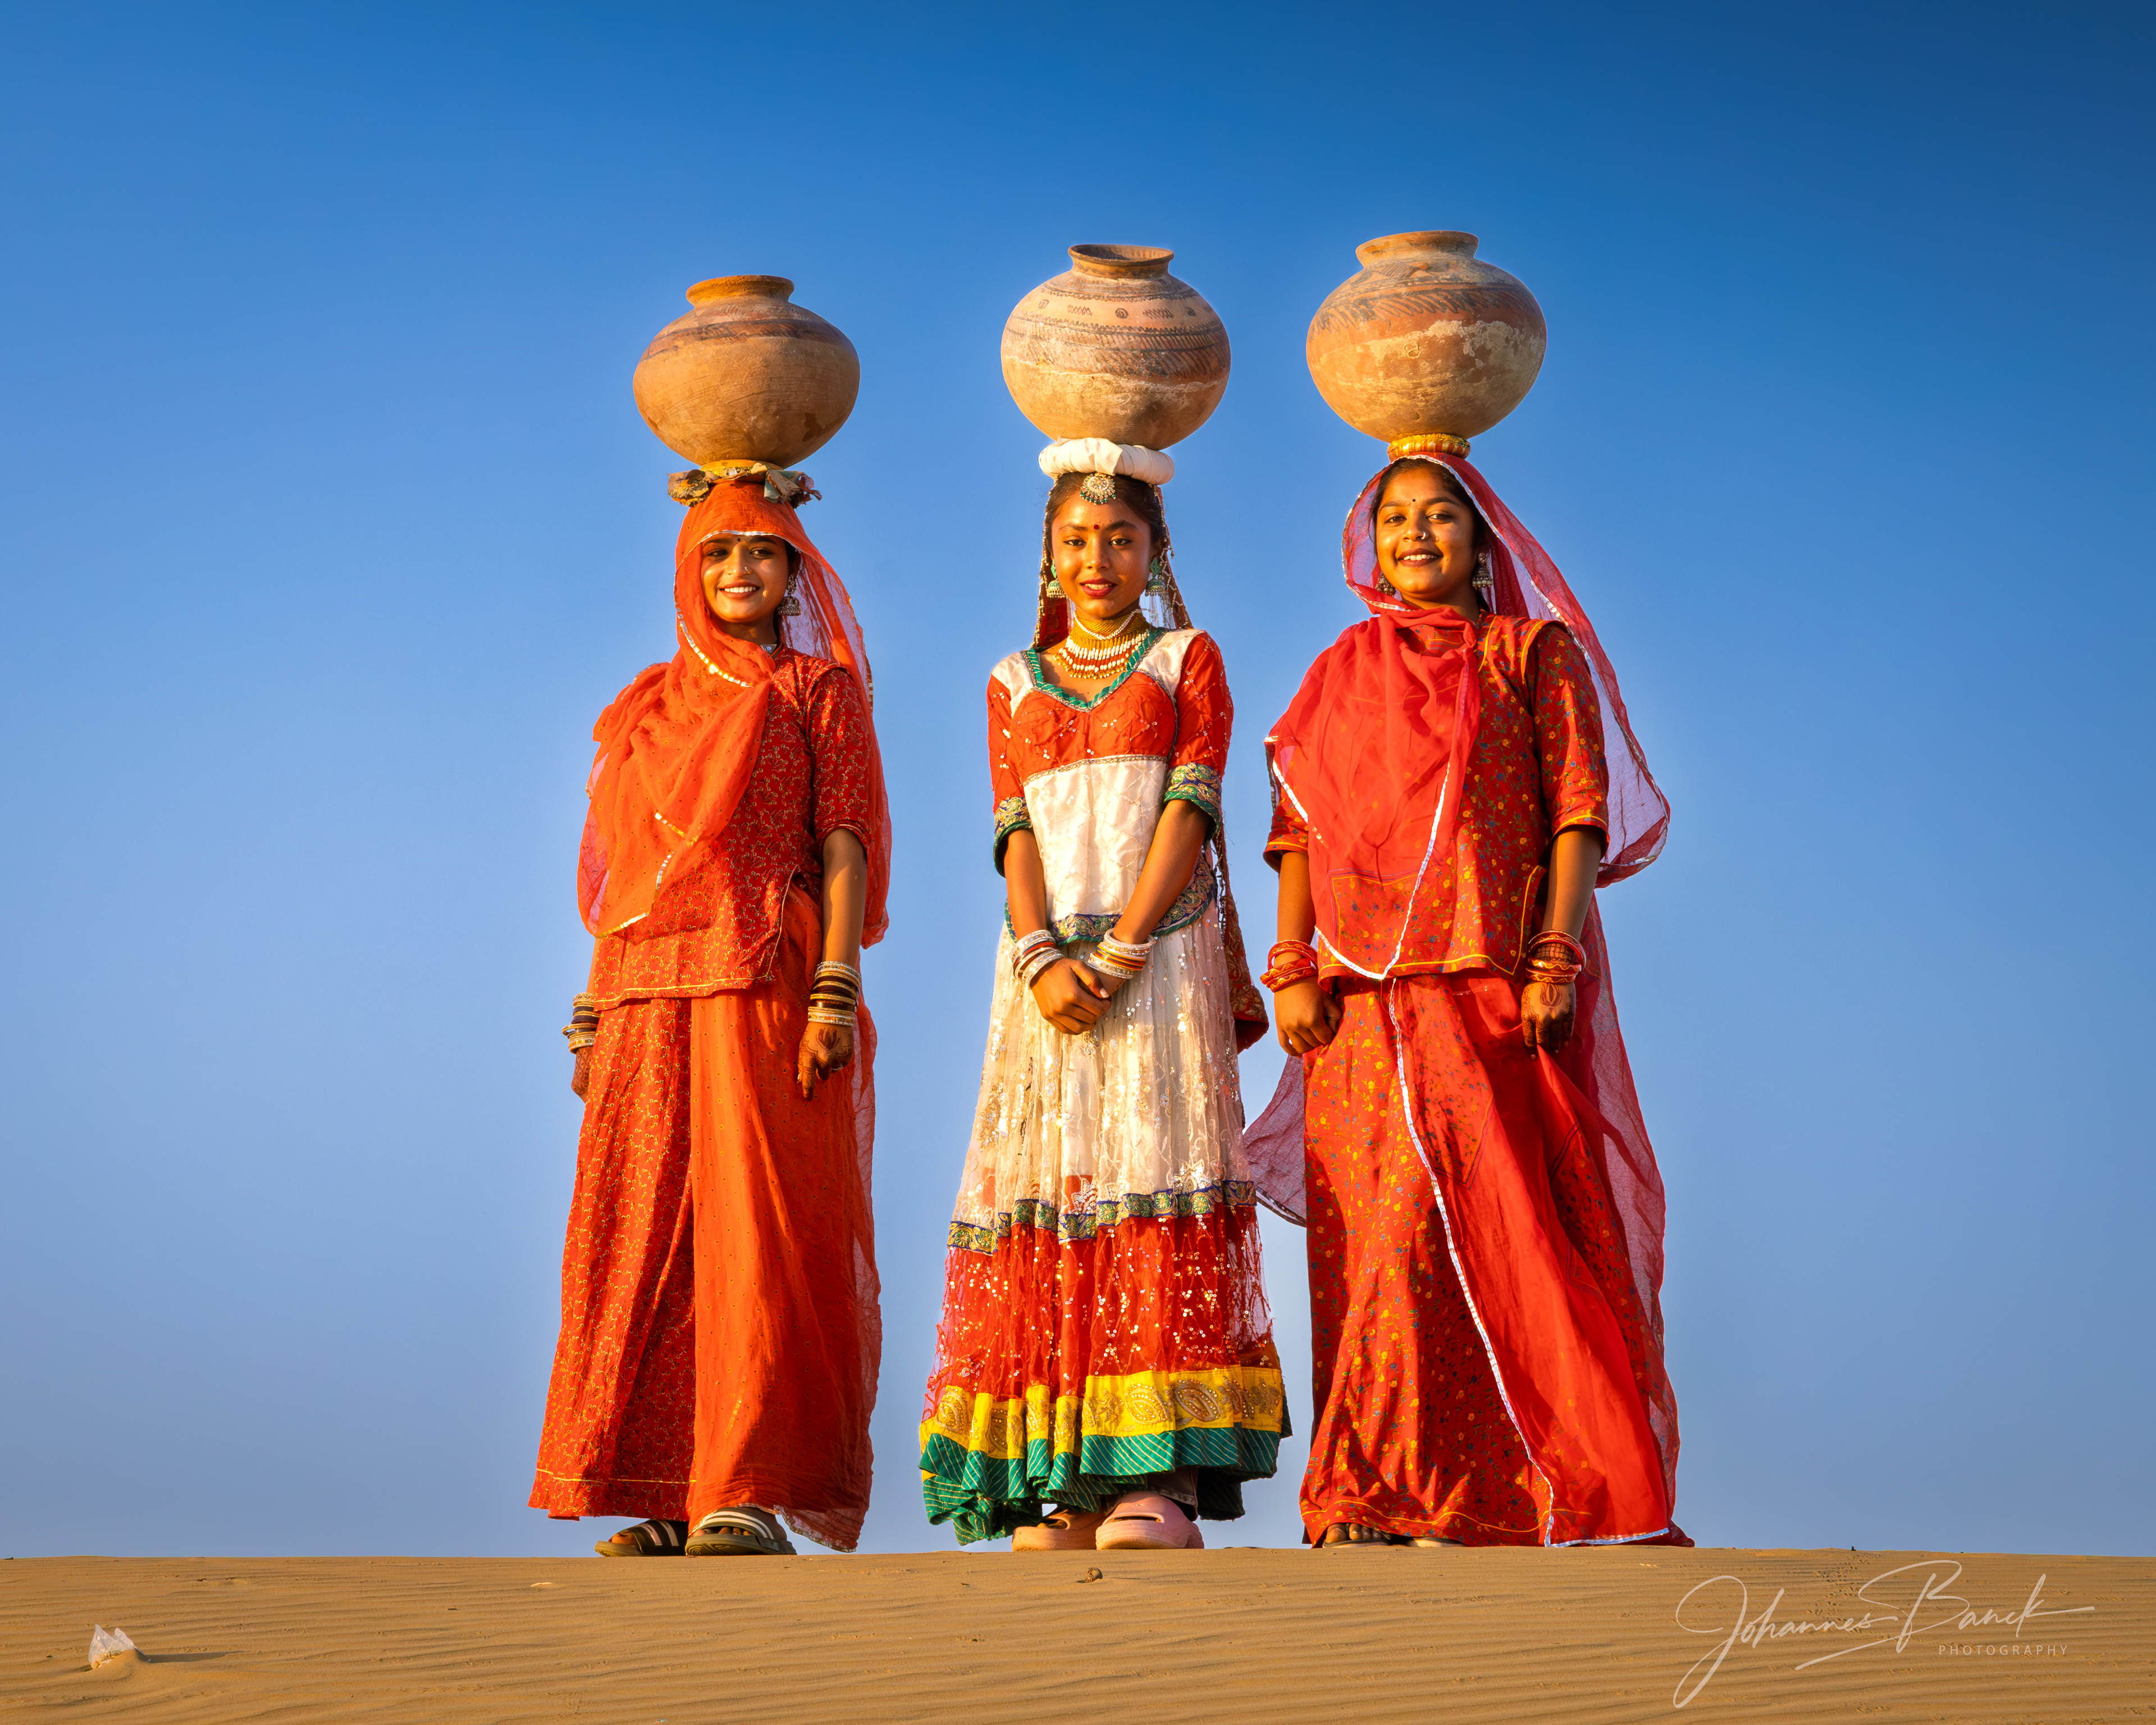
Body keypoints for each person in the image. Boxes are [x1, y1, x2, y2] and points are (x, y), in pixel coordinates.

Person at [1246, 442, 1685, 1549]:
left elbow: (1577, 812)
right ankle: (1371, 1492)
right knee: (1377, 1245)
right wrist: (1290, 966)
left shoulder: (1532, 654)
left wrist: (1555, 956)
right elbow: (1299, 827)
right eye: (1394, 517)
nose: (1415, 534)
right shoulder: (1340, 670)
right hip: (1357, 1007)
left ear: (1481, 539)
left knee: (1511, 1234)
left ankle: (1535, 1492)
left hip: (1491, 988)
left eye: (1439, 515)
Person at [918, 459, 1286, 1551]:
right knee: (1056, 1192)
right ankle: (1066, 1488)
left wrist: (1123, 949)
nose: (1098, 559)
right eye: (1077, 540)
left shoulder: (1185, 659)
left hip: (1158, 966)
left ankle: (1160, 1481)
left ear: (1154, 552)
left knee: (1152, 1179)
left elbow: (1191, 806)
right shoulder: (1012, 680)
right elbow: (1013, 831)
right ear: (1048, 555)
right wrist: (1039, 956)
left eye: (1120, 538)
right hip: (1041, 984)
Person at [530, 465, 891, 1558]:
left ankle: (748, 1489)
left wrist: (835, 986)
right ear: (688, 571)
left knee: (759, 1236)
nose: (741, 570)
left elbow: (845, 843)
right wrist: (593, 1010)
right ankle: (667, 1489)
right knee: (643, 1238)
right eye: (718, 552)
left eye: (762, 551)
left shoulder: (816, 691)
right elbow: (624, 877)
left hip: (761, 975)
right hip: (644, 993)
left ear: (794, 569)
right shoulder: (646, 708)